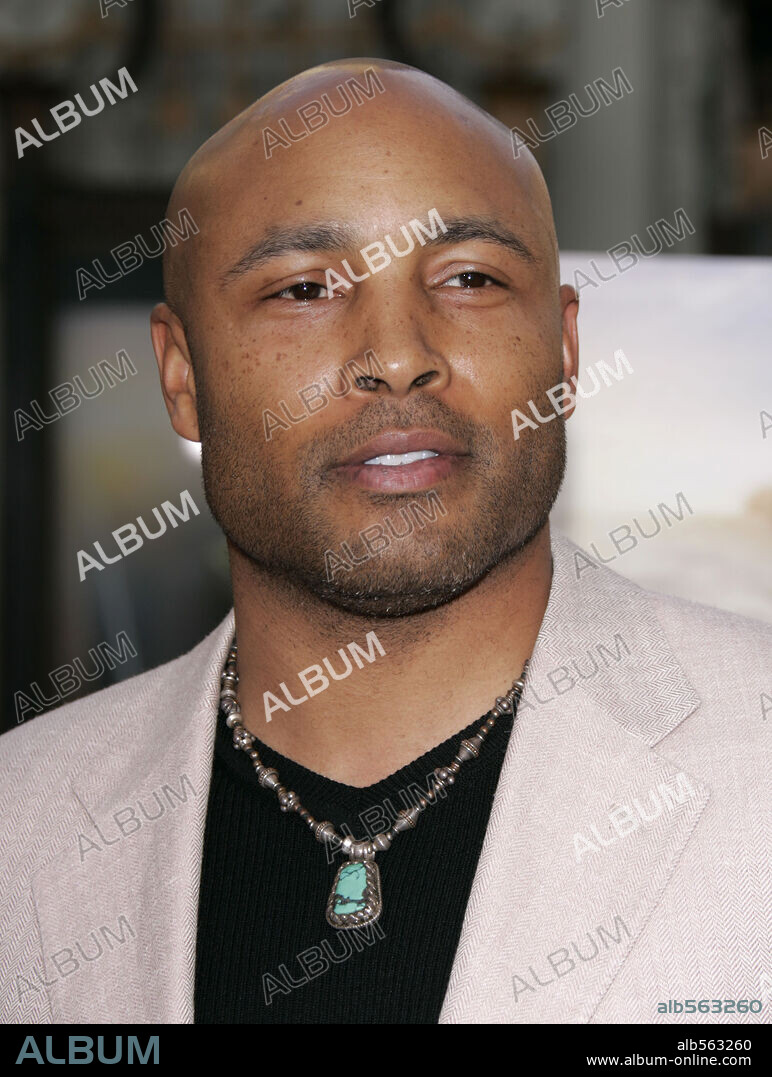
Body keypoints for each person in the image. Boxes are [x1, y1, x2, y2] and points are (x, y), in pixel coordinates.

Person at [1, 59, 768, 1026]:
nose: (399, 355)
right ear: (182, 375)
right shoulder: (20, 825)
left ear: (565, 350)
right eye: (305, 289)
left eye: (471, 278)